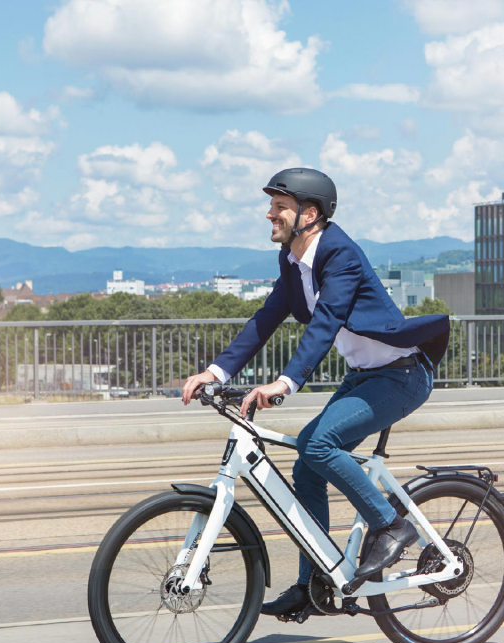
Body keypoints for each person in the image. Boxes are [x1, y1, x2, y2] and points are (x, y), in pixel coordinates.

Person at [182, 167, 449, 617]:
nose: (270, 214)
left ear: (311, 213)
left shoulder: (340, 254)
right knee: (307, 467)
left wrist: (283, 384)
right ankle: (313, 584)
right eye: (271, 206)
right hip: (365, 375)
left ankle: (390, 525)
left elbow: (325, 324)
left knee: (317, 443)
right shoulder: (291, 260)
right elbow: (266, 318)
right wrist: (216, 371)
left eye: (279, 206)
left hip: (401, 374)